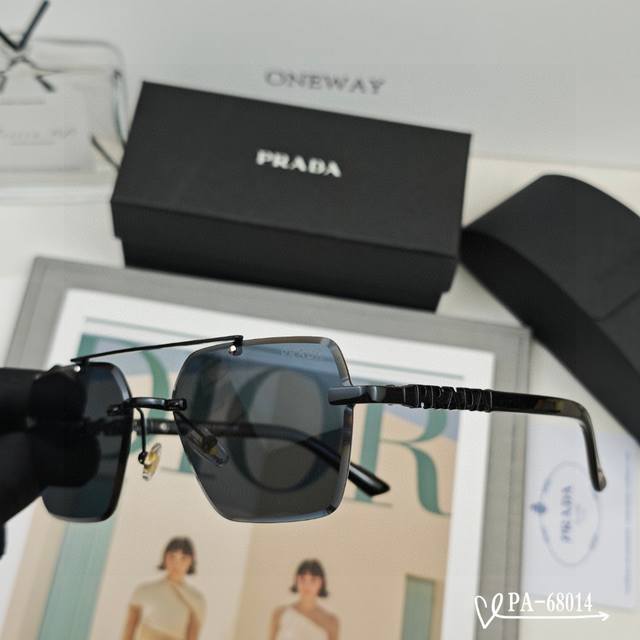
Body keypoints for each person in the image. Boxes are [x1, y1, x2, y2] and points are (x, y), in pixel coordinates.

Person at [121, 537, 206, 640]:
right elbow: (128, 631)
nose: (176, 563)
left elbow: (193, 636)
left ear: (191, 561)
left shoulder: (196, 599)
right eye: (172, 556)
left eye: (183, 558)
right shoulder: (144, 590)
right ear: (165, 557)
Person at [270, 559, 339, 640]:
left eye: (313, 580)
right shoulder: (280, 614)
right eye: (302, 579)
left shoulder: (330, 621)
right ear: (296, 580)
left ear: (321, 582)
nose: (307, 585)